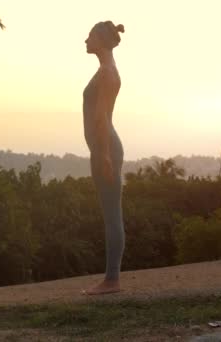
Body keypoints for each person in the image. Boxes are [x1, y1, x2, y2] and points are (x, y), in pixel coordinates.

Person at [81, 21, 126, 295]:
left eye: (89, 36)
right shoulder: (104, 71)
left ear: (100, 39)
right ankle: (112, 278)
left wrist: (105, 155)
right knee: (111, 213)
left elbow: (100, 118)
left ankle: (112, 281)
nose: (85, 40)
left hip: (105, 147)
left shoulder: (107, 73)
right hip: (103, 147)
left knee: (112, 215)